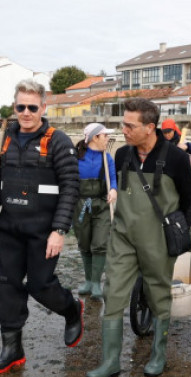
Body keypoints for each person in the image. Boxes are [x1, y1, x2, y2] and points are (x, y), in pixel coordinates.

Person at [86, 98, 191, 377]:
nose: (123, 130)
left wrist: (178, 234)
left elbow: (188, 200)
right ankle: (110, 361)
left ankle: (158, 354)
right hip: (123, 237)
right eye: (123, 124)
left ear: (150, 127)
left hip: (158, 239)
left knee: (159, 295)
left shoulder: (177, 159)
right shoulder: (122, 155)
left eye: (128, 125)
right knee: (113, 295)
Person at [0, 79, 82, 374]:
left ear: (43, 108)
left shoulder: (58, 140)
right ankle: (12, 349)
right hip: (9, 227)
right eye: (20, 107)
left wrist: (59, 231)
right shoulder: (6, 137)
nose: (25, 112)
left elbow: (71, 188)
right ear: (14, 107)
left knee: (40, 285)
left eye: (32, 107)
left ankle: (72, 310)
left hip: (43, 230)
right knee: (7, 285)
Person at [73, 123, 117, 300]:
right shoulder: (75, 157)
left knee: (99, 243)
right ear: (95, 138)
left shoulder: (108, 158)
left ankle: (97, 283)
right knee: (84, 243)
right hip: (80, 206)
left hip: (102, 205)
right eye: (105, 136)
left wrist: (113, 189)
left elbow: (112, 178)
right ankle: (88, 281)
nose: (107, 139)